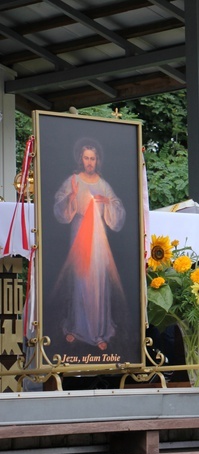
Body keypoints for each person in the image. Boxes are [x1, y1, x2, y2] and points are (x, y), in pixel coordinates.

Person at [53, 139, 126, 352]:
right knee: (80, 281)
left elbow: (118, 207)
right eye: (86, 158)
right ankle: (76, 328)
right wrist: (72, 198)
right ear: (81, 159)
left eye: (93, 158)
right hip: (79, 234)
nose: (89, 162)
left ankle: (99, 332)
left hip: (99, 238)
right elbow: (59, 204)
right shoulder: (73, 180)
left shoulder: (103, 184)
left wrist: (108, 203)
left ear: (97, 160)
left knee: (98, 282)